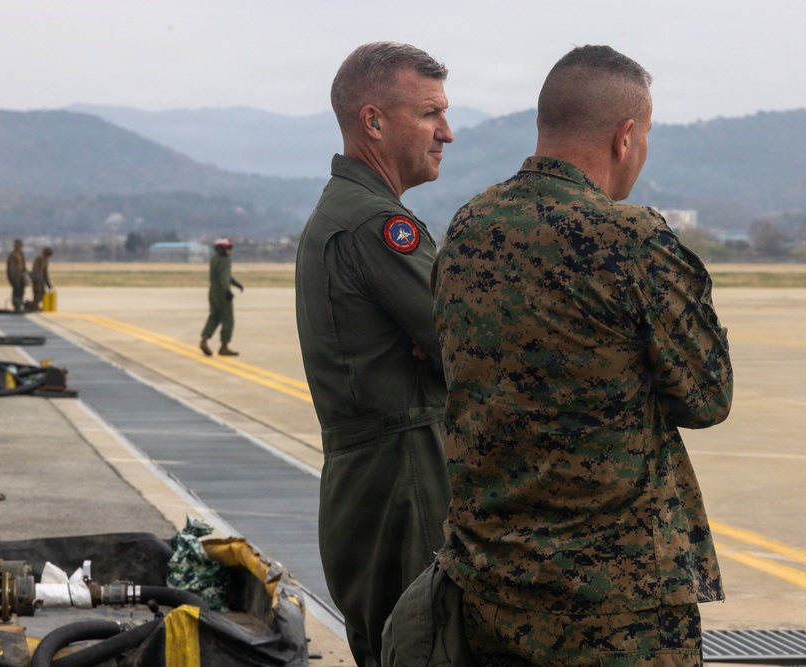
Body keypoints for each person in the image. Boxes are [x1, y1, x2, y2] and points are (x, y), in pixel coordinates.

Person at [418, 45, 733, 666]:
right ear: (626, 136)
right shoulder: (630, 239)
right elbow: (708, 397)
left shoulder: (469, 228)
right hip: (617, 608)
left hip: (491, 587)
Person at [294, 41, 454, 667]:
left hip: (377, 481)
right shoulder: (376, 226)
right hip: (405, 482)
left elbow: (438, 340)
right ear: (374, 121)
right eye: (429, 114)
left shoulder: (351, 213)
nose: (446, 132)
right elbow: (465, 344)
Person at [199, 237, 243, 357]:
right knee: (228, 320)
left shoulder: (214, 259)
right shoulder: (225, 261)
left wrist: (236, 283)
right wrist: (227, 291)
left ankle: (204, 339)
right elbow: (224, 277)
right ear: (222, 249)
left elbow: (224, 275)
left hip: (212, 292)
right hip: (221, 293)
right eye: (229, 248)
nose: (231, 250)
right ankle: (224, 346)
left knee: (214, 317)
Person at [7, 238, 27, 312]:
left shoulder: (21, 254)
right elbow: (11, 268)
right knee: (16, 291)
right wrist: (12, 278)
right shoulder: (12, 255)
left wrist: (25, 273)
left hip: (21, 276)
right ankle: (16, 305)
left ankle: (20, 304)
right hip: (15, 277)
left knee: (21, 291)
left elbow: (23, 265)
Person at [31, 246, 53, 310]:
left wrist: (48, 284)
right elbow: (35, 270)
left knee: (42, 293)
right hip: (37, 280)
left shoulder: (45, 261)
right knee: (37, 293)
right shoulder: (39, 259)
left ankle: (36, 305)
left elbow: (45, 273)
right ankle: (35, 306)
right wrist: (36, 279)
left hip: (41, 280)